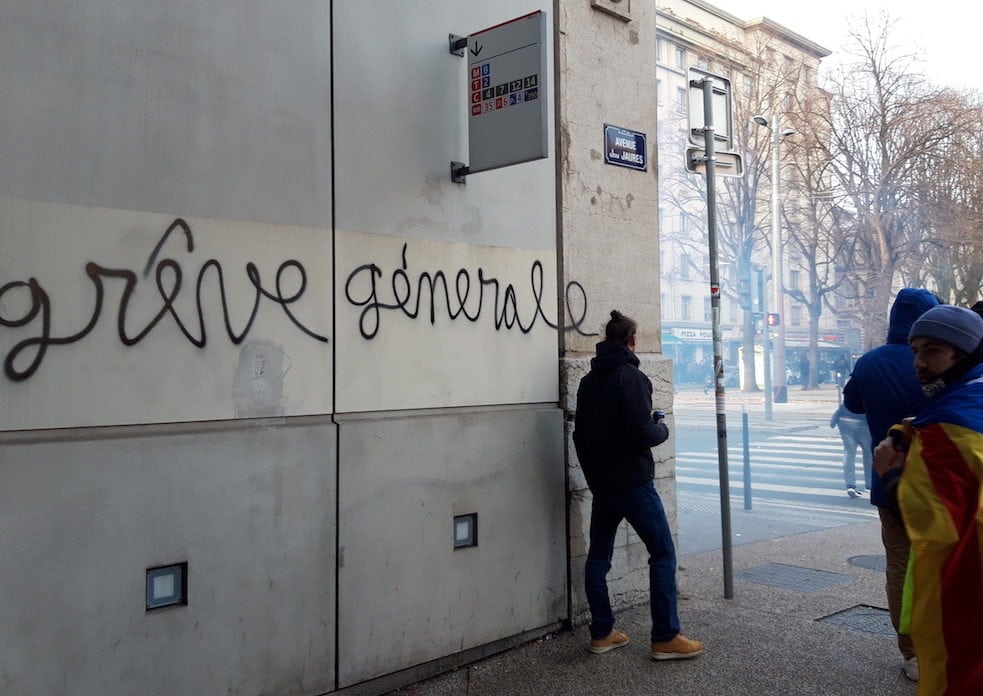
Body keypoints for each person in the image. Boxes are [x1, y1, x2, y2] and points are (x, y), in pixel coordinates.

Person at [573, 310, 703, 660]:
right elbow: (642, 432)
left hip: (603, 485)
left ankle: (602, 633)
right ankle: (665, 637)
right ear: (631, 342)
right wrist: (661, 427)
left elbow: (579, 436)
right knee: (662, 551)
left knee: (598, 558)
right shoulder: (631, 377)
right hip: (631, 482)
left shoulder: (589, 381)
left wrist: (594, 477)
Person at [873, 304, 983, 696]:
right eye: (915, 350)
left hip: (963, 594)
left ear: (964, 354)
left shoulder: (948, 429)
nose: (918, 363)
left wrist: (892, 474)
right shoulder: (970, 397)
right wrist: (907, 431)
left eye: (933, 351)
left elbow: (931, 524)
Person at [842, 288, 940, 682]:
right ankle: (940, 642)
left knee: (898, 565)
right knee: (938, 564)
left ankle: (911, 653)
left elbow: (853, 405)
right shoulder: (941, 360)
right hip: (935, 484)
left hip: (889, 481)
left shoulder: (869, 362)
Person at [829, 403, 872, 497]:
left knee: (849, 453)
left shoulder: (852, 388)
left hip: (845, 420)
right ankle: (869, 485)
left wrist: (834, 420)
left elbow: (845, 402)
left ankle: (850, 485)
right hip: (863, 422)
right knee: (868, 454)